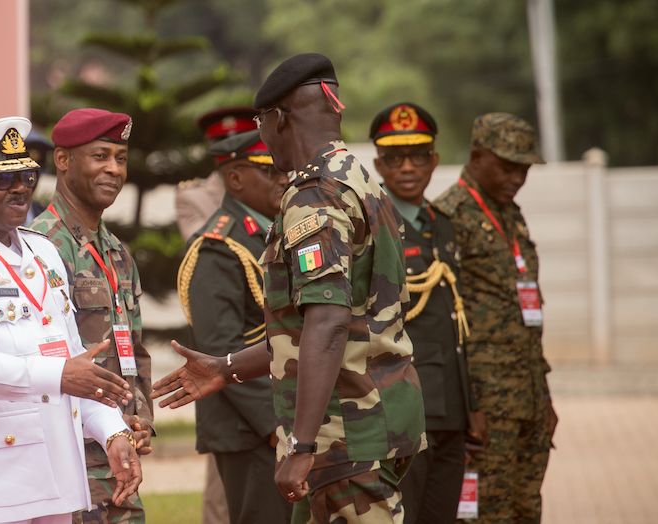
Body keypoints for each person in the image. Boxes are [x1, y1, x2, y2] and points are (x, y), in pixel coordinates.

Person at [152, 53, 426, 524]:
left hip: (345, 434)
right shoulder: (362, 182)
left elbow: (328, 320)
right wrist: (228, 366)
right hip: (379, 419)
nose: (261, 134)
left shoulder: (313, 195)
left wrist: (300, 444)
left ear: (279, 119)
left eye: (261, 122)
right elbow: (323, 323)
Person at [0, 116, 142, 524]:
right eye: (3, 179)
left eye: (27, 175)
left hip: (55, 479)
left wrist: (112, 431)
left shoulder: (41, 252)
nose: (20, 187)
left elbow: (76, 362)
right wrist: (58, 376)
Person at [29, 108, 152, 524]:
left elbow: (133, 346)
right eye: (100, 156)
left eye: (121, 158)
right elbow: (39, 356)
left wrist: (140, 418)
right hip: (65, 457)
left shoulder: (117, 251)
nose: (114, 169)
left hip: (116, 454)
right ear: (63, 161)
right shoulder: (39, 248)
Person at [433, 113, 557, 522]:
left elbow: (523, 313)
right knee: (485, 512)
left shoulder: (510, 214)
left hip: (527, 395)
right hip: (486, 403)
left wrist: (543, 396)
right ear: (476, 156)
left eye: (523, 168)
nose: (517, 177)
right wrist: (469, 406)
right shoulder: (449, 217)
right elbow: (445, 322)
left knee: (526, 507)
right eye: (507, 166)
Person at [369, 102, 485, 524]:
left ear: (434, 161)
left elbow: (457, 324)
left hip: (450, 407)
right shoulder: (371, 224)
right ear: (379, 163)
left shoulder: (443, 224)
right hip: (404, 408)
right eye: (395, 157)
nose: (407, 167)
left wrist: (471, 403)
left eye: (418, 155)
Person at [176, 129, 291, 524]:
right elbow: (218, 350)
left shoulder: (275, 233)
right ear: (237, 178)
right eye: (271, 171)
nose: (283, 179)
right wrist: (276, 426)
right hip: (252, 430)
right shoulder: (219, 247)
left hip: (284, 421)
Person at [174, 107, 258, 240]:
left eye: (242, 146)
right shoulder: (192, 196)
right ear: (213, 152)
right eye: (224, 147)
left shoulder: (274, 185)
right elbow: (202, 246)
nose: (233, 154)